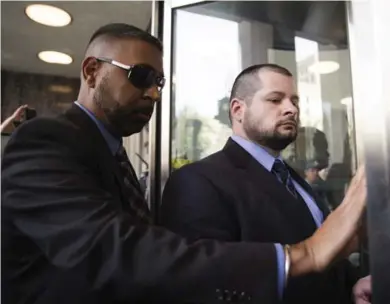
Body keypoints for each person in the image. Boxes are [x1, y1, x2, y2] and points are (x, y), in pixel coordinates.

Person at [1, 24, 367, 304]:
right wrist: (303, 255)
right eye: (141, 76)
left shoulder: (111, 154)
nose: (154, 93)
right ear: (92, 71)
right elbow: (116, 251)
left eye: (159, 81)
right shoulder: (46, 140)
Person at [160, 64, 370, 303]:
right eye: (275, 100)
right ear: (238, 109)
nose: (291, 109)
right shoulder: (197, 181)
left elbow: (325, 254)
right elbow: (203, 283)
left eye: (294, 101)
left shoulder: (294, 179)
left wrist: (355, 283)